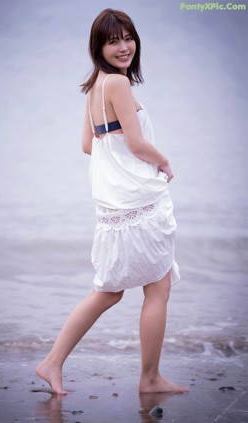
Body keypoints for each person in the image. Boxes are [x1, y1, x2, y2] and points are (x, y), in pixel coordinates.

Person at [36, 8, 189, 395]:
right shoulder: (117, 86)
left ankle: (53, 363)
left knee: (113, 290)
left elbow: (89, 145)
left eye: (128, 38)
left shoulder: (95, 86)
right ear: (98, 47)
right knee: (152, 286)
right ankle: (148, 378)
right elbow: (136, 144)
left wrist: (125, 157)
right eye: (113, 41)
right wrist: (164, 160)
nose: (123, 47)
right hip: (136, 203)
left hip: (116, 204)